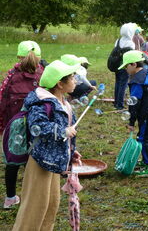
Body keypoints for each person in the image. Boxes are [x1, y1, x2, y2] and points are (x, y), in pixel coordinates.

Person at [12, 60, 82, 231]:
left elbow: (64, 132)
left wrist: (71, 150)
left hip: (54, 161)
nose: (76, 81)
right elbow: (38, 127)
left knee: (51, 205)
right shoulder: (42, 102)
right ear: (60, 83)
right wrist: (62, 131)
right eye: (72, 78)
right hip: (41, 161)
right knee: (34, 208)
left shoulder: (61, 101)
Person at [0, 41, 44, 209]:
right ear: (39, 57)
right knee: (32, 160)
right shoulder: (44, 74)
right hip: (38, 125)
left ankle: (10, 198)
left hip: (15, 126)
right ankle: (32, 197)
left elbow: (2, 101)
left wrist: (1, 126)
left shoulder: (12, 76)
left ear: (19, 57)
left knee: (12, 161)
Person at [119, 51, 148, 177]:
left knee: (143, 138)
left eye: (126, 66)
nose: (125, 69)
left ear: (133, 64)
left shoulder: (136, 81)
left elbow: (134, 103)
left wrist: (131, 122)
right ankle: (147, 160)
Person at [114, 23, 136, 110]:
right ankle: (120, 105)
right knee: (123, 84)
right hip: (125, 66)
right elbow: (131, 57)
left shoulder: (118, 41)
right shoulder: (130, 43)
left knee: (118, 83)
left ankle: (116, 102)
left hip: (117, 65)